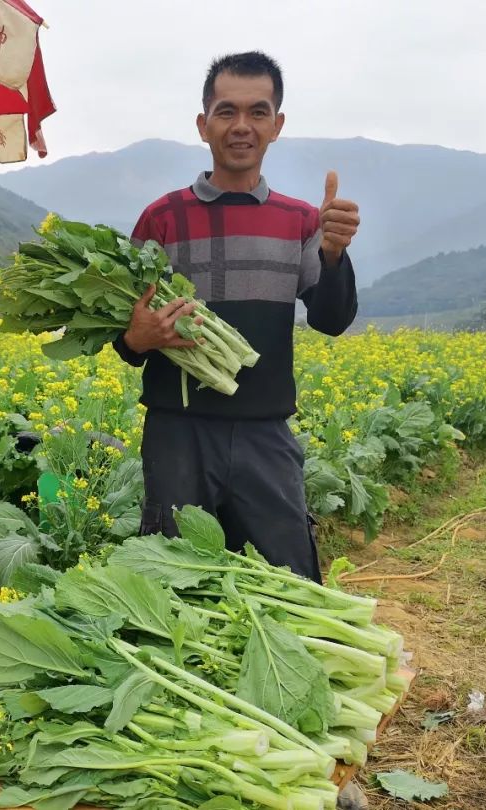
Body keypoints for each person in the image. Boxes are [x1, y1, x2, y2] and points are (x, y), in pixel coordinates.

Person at [115, 51, 360, 584]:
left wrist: (335, 255)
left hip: (265, 433)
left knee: (287, 579)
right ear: (204, 125)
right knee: (173, 583)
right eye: (226, 112)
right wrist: (135, 339)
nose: (241, 126)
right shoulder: (162, 218)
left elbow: (331, 319)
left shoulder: (302, 221)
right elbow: (125, 334)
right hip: (177, 433)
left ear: (277, 125)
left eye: (258, 111)